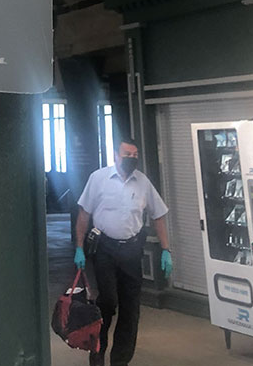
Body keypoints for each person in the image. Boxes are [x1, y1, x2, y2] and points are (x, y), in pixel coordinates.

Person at [73, 138, 172, 366]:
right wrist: (79, 248)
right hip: (104, 249)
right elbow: (84, 214)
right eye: (127, 154)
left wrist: (166, 250)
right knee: (107, 302)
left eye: (135, 155)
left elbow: (158, 215)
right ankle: (97, 351)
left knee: (130, 309)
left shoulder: (143, 183)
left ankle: (120, 360)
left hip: (132, 251)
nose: (131, 158)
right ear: (116, 155)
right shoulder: (98, 179)